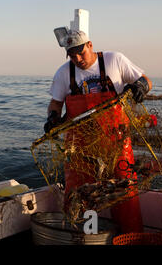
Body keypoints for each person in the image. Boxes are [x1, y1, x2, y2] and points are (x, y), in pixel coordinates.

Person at [45, 28, 152, 234]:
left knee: (124, 189)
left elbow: (146, 80)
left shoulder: (115, 60)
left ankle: (129, 236)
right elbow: (56, 103)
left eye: (80, 52)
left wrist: (140, 86)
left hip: (117, 142)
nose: (77, 58)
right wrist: (52, 117)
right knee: (80, 193)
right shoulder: (64, 73)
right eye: (71, 54)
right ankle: (83, 236)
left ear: (90, 45)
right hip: (80, 146)